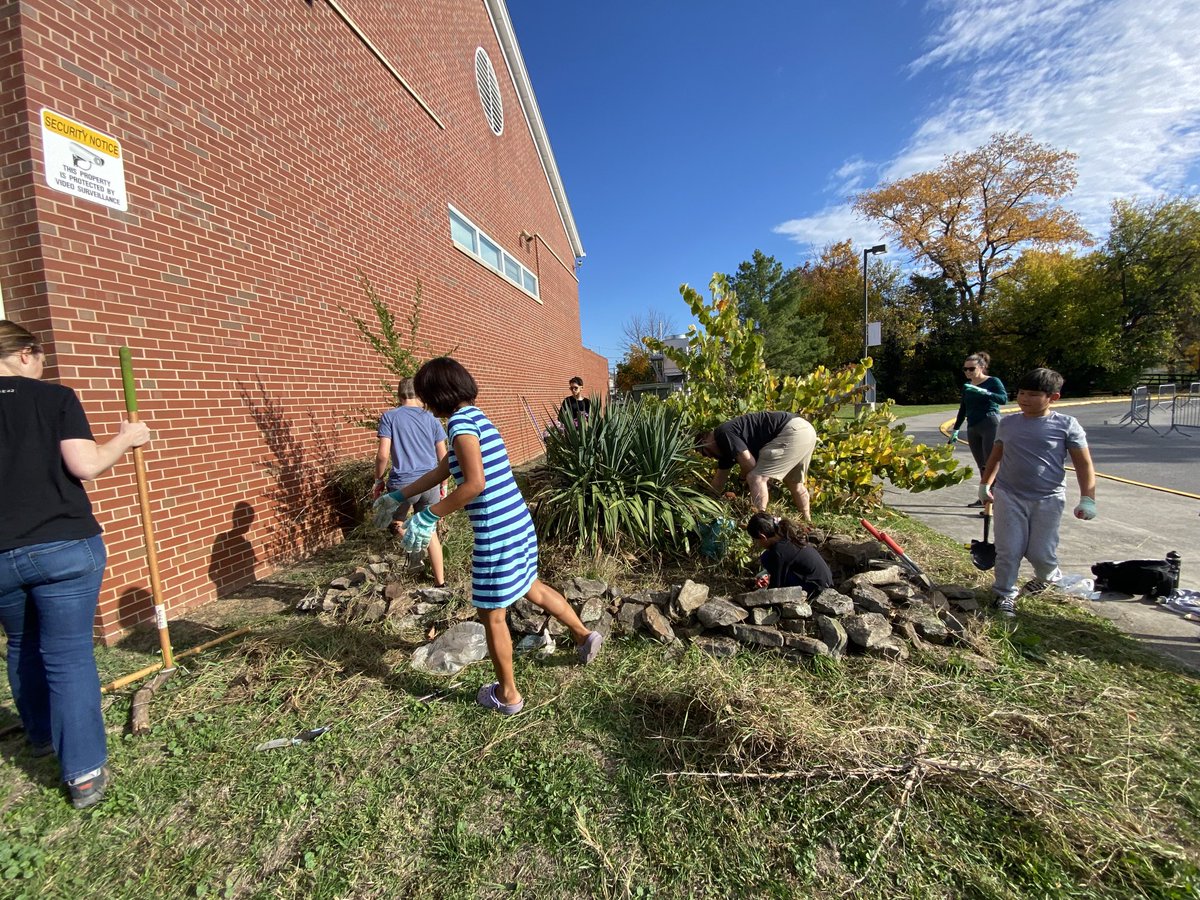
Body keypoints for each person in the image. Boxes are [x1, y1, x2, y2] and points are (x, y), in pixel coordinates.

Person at [395, 358, 602, 714]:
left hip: (496, 531)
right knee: (531, 586)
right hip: (517, 521)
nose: (426, 403)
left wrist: (429, 514)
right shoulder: (477, 418)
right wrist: (399, 495)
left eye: (428, 395)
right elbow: (446, 468)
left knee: (491, 613)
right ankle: (584, 635)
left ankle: (507, 695)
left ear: (438, 394)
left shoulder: (460, 424)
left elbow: (474, 484)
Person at [0, 320, 151, 808]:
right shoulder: (53, 399)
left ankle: (42, 737)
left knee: (21, 643)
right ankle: (83, 773)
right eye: (39, 355)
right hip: (62, 545)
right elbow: (85, 464)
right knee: (66, 655)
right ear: (24, 354)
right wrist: (127, 438)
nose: (42, 363)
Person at [978, 368, 1096, 617]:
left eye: (1032, 394)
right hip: (1009, 495)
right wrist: (985, 484)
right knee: (1009, 550)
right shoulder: (1008, 423)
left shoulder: (1066, 425)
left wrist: (1088, 499)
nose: (1023, 399)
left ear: (1053, 397)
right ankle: (1004, 594)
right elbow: (996, 455)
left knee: (1041, 554)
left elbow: (1084, 464)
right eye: (1021, 393)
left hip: (1048, 499)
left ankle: (1045, 579)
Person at [373, 378, 448, 586]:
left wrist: (378, 480)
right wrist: (443, 484)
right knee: (429, 528)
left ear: (399, 396)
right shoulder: (432, 418)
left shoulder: (390, 417)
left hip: (403, 485)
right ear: (421, 396)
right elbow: (444, 457)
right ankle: (440, 582)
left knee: (396, 524)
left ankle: (414, 554)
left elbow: (382, 455)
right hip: (431, 481)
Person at [696, 411, 818, 520]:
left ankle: (761, 523)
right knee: (795, 484)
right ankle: (808, 521)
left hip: (790, 430)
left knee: (756, 477)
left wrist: (744, 479)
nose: (710, 457)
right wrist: (704, 505)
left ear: (705, 442)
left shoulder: (723, 434)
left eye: (705, 453)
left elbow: (749, 464)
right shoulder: (725, 450)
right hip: (807, 430)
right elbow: (718, 483)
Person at [948, 351, 1007, 509]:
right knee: (981, 464)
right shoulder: (967, 386)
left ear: (982, 367)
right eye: (965, 369)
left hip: (990, 423)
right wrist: (956, 430)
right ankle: (984, 497)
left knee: (991, 462)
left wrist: (986, 392)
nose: (968, 372)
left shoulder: (993, 381)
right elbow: (963, 408)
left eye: (971, 369)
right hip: (973, 426)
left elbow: (1003, 399)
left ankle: (995, 499)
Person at [747, 513, 833, 595]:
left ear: (763, 537)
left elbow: (775, 588)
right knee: (766, 557)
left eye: (756, 541)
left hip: (816, 587)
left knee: (768, 559)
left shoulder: (779, 551)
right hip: (823, 580)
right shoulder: (788, 537)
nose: (758, 544)